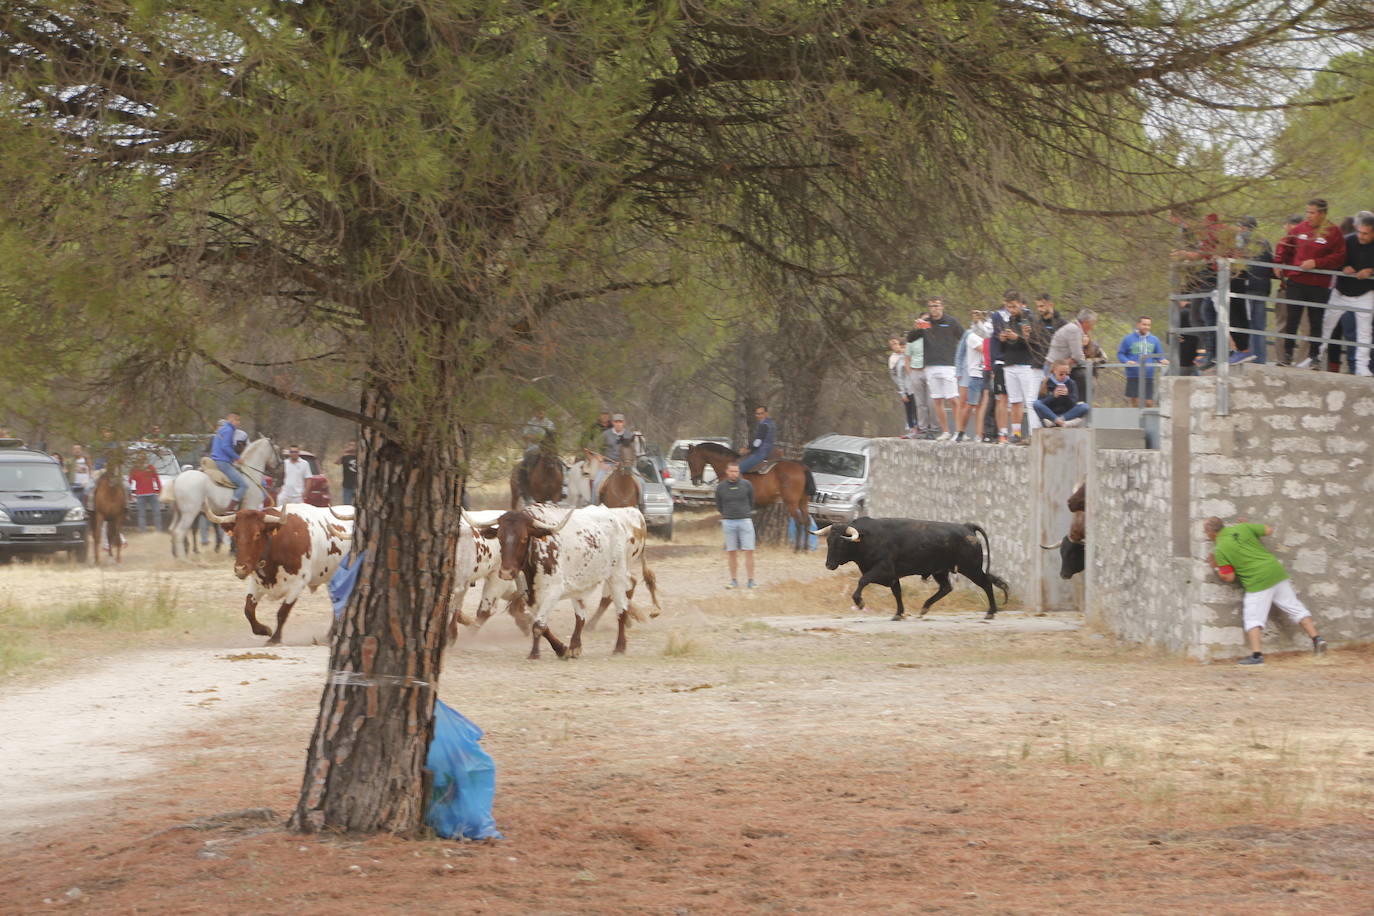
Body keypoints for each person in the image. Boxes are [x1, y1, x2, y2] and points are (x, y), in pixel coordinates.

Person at [1204, 516, 1327, 665]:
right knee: (1294, 607)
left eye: (1206, 531)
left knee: (1253, 617)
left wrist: (1215, 566)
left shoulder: (1220, 549)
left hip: (1258, 581)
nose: (1205, 534)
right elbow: (1268, 530)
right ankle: (1317, 639)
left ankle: (1257, 656)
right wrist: (1249, 526)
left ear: (1212, 532)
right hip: (1275, 571)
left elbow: (1229, 577)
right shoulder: (1242, 527)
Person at [1276, 198, 1346, 368]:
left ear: (1322, 214)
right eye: (1307, 212)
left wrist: (1317, 262)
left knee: (1316, 320)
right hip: (1296, 281)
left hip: (1318, 284)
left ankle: (1314, 357)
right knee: (1292, 319)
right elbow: (1285, 245)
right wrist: (1279, 262)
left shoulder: (1333, 231)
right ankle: (1287, 355)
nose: (1308, 216)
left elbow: (1339, 257)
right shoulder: (1300, 228)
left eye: (1312, 212)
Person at [1321, 214, 1374, 376]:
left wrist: (1371, 271)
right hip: (1341, 291)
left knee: (1364, 332)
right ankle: (1315, 356)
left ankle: (1362, 366)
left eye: (1365, 233)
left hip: (1365, 293)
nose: (1361, 236)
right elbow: (1335, 260)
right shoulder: (1348, 240)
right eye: (1359, 232)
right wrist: (1344, 268)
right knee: (1326, 324)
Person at [908, 297, 963, 440]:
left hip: (948, 365)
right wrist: (916, 327)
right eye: (931, 306)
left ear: (942, 306)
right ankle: (945, 431)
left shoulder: (951, 322)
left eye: (937, 306)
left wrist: (960, 360)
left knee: (953, 399)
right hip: (930, 366)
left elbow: (963, 338)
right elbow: (910, 338)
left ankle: (959, 431)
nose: (934, 309)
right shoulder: (926, 324)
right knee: (937, 400)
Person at [990, 291, 1036, 446]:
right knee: (1015, 401)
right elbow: (1004, 347)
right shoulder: (1008, 320)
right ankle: (1015, 433)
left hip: (1025, 363)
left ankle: (1032, 432)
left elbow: (1032, 343)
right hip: (1009, 363)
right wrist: (1003, 340)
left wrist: (1018, 338)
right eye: (1008, 307)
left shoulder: (1028, 319)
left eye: (1014, 306)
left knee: (1029, 400)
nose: (1011, 309)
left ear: (1021, 304)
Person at [1230, 217, 1273, 364]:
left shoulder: (1241, 239)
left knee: (1246, 323)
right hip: (1262, 288)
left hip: (1247, 287)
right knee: (1259, 326)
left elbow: (1237, 261)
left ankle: (1250, 356)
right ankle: (1261, 360)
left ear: (1243, 227)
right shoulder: (1265, 241)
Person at [714, 460, 756, 589]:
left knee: (749, 550)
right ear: (727, 472)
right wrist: (727, 514)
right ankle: (733, 580)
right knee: (731, 552)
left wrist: (745, 512)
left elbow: (752, 501)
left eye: (736, 471)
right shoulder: (720, 487)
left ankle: (751, 580)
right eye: (731, 471)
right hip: (729, 522)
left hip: (745, 521)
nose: (734, 474)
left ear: (739, 472)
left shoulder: (747, 485)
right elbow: (718, 505)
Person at [953, 310, 992, 443]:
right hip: (975, 374)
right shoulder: (971, 336)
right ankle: (960, 431)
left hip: (986, 373)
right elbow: (985, 349)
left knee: (982, 406)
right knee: (970, 405)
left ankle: (980, 434)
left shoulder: (986, 336)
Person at [1117, 316, 1169, 407]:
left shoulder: (1154, 340)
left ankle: (1146, 421)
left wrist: (1163, 360)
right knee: (1136, 402)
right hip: (1133, 375)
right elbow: (1120, 354)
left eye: (1149, 325)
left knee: (1149, 403)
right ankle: (1136, 421)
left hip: (1148, 376)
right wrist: (1127, 361)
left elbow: (1159, 356)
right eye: (1144, 324)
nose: (1146, 327)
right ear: (1138, 324)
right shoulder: (1128, 339)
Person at [1045, 308, 1098, 396]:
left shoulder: (1072, 327)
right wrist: (1083, 359)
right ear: (1086, 322)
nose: (1093, 327)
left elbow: (1075, 357)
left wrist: (1073, 359)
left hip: (1056, 368)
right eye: (1092, 323)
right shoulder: (1074, 330)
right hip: (1054, 369)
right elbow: (1078, 356)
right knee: (1056, 400)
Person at [904, 314, 937, 438]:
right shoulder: (912, 338)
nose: (925, 323)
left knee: (932, 402)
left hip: (929, 371)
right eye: (923, 321)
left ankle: (934, 428)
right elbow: (907, 358)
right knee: (920, 403)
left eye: (927, 321)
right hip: (915, 372)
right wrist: (910, 374)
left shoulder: (933, 337)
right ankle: (922, 428)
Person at [1033, 360, 1090, 428]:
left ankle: (1057, 421)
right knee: (1036, 403)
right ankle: (1062, 422)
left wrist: (1067, 396)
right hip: (1050, 414)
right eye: (1061, 374)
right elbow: (1041, 403)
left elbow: (1073, 404)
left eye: (1067, 374)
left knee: (1084, 406)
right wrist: (1053, 396)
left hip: (1065, 415)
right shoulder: (1045, 383)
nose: (1064, 376)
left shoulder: (1071, 383)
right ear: (1054, 371)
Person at [211, 412, 249, 511]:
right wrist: (237, 458)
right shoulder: (229, 430)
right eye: (237, 420)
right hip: (223, 463)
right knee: (243, 485)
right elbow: (225, 447)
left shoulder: (221, 430)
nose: (238, 423)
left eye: (239, 420)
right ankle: (229, 509)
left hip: (215, 460)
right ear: (230, 419)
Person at [591, 413, 635, 499]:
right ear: (613, 423)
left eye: (620, 422)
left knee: (641, 482)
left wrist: (629, 463)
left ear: (623, 423)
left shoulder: (629, 435)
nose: (618, 424)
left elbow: (633, 451)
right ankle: (594, 505)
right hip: (608, 464)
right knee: (596, 483)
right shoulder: (605, 434)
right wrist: (601, 462)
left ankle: (641, 505)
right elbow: (597, 449)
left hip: (626, 465)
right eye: (616, 422)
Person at [1027, 293, 1066, 373]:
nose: (1039, 309)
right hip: (1037, 366)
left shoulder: (1061, 323)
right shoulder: (1036, 323)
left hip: (1054, 367)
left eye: (1042, 306)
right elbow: (1032, 344)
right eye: (1037, 306)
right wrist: (1027, 335)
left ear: (1051, 305)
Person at [887, 336, 916, 436]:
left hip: (915, 385)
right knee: (909, 408)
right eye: (891, 345)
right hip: (904, 387)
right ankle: (911, 428)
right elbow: (895, 375)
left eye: (895, 343)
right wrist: (902, 389)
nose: (894, 346)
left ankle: (920, 428)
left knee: (917, 407)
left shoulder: (909, 354)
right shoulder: (893, 358)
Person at [738, 405, 776, 472]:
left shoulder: (764, 425)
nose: (759, 415)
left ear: (766, 413)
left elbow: (758, 441)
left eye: (761, 413)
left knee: (737, 470)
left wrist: (748, 450)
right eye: (757, 414)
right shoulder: (771, 423)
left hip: (761, 452)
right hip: (769, 449)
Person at [128, 461, 163, 532]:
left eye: (143, 457)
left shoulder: (150, 467)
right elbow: (129, 481)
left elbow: (157, 479)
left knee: (157, 513)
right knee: (142, 514)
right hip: (140, 495)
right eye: (140, 457)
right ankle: (143, 532)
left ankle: (159, 531)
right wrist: (130, 494)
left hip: (152, 494)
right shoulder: (135, 469)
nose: (142, 459)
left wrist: (160, 491)